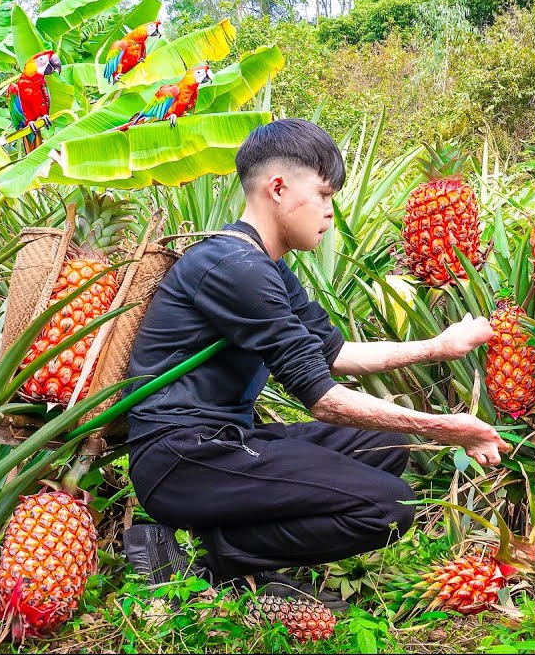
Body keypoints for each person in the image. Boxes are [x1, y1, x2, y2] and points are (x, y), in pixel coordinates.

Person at [122, 118, 509, 608]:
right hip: (183, 457)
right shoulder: (233, 268)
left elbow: (334, 354)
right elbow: (322, 399)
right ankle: (210, 560)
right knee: (388, 507)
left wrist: (440, 346)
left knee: (383, 446)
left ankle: (226, 550)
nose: (329, 212)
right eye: (324, 194)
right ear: (278, 188)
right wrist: (444, 427)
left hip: (225, 442)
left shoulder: (263, 263)